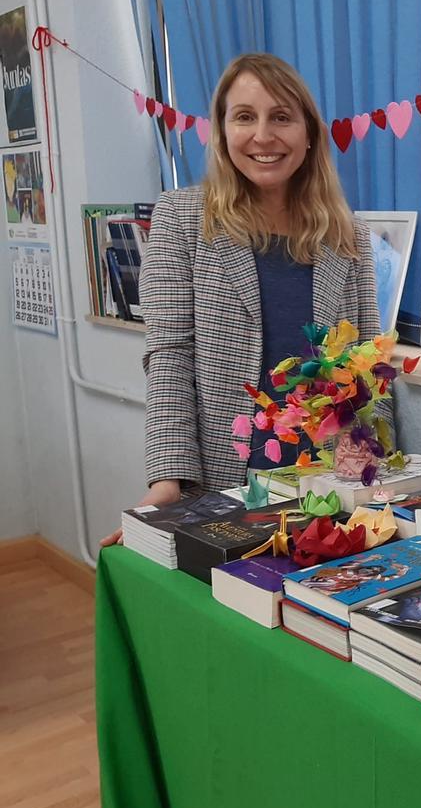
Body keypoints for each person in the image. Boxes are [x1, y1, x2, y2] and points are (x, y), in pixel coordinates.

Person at [101, 53, 380, 547]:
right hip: (225, 486)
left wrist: (375, 471)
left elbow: (366, 368)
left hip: (329, 487)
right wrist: (167, 478)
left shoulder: (347, 234)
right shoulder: (182, 219)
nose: (263, 136)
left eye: (282, 117)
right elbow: (169, 356)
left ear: (309, 134)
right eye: (245, 117)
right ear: (222, 131)